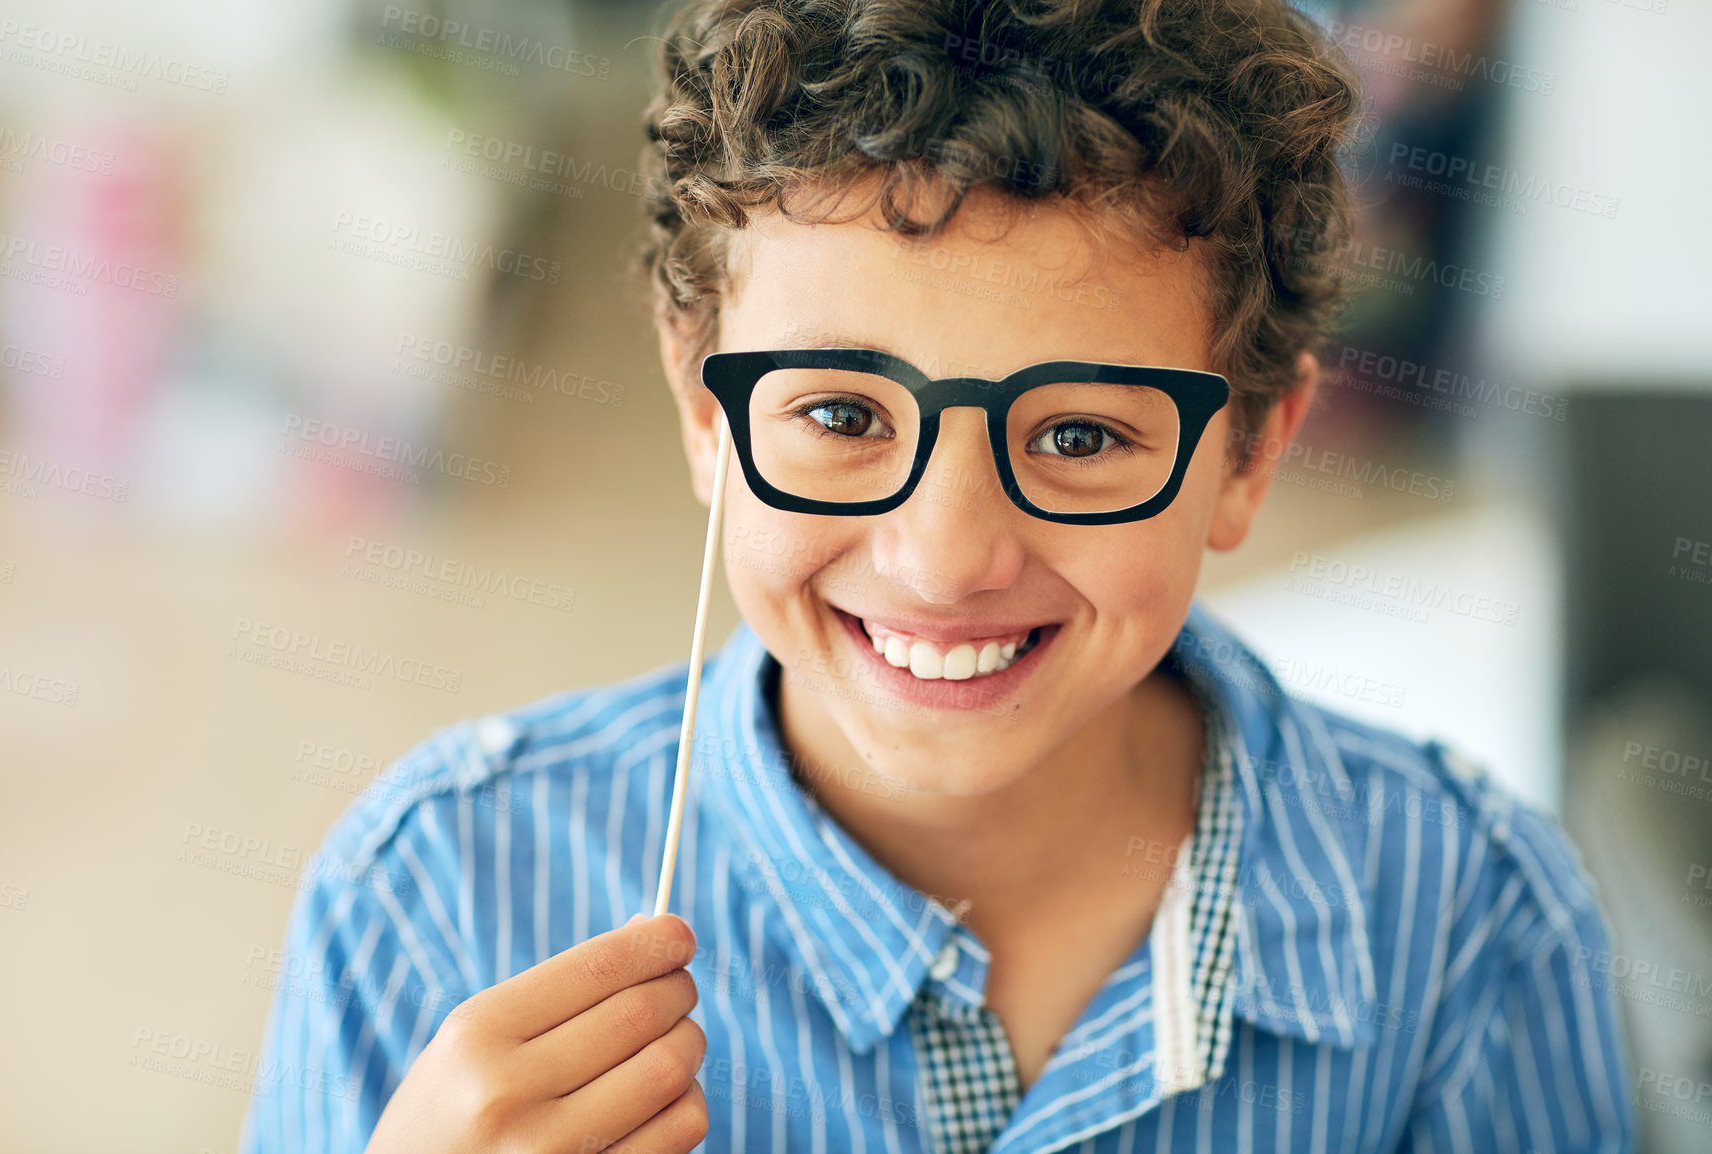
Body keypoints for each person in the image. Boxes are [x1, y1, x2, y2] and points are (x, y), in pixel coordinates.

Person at [241, 1, 1633, 1151]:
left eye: (1082, 434)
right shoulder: (426, 898)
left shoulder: (1472, 924)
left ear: (1254, 450)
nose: (946, 556)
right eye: (842, 415)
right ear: (704, 411)